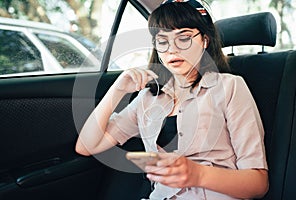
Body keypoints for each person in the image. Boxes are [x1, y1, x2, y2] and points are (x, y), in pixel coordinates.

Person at [75, 0, 269, 199]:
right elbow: (87, 146)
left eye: (183, 38)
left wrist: (197, 174)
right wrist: (117, 90)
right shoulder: (148, 99)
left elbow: (258, 183)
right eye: (162, 41)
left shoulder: (229, 87)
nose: (172, 49)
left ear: (204, 41)